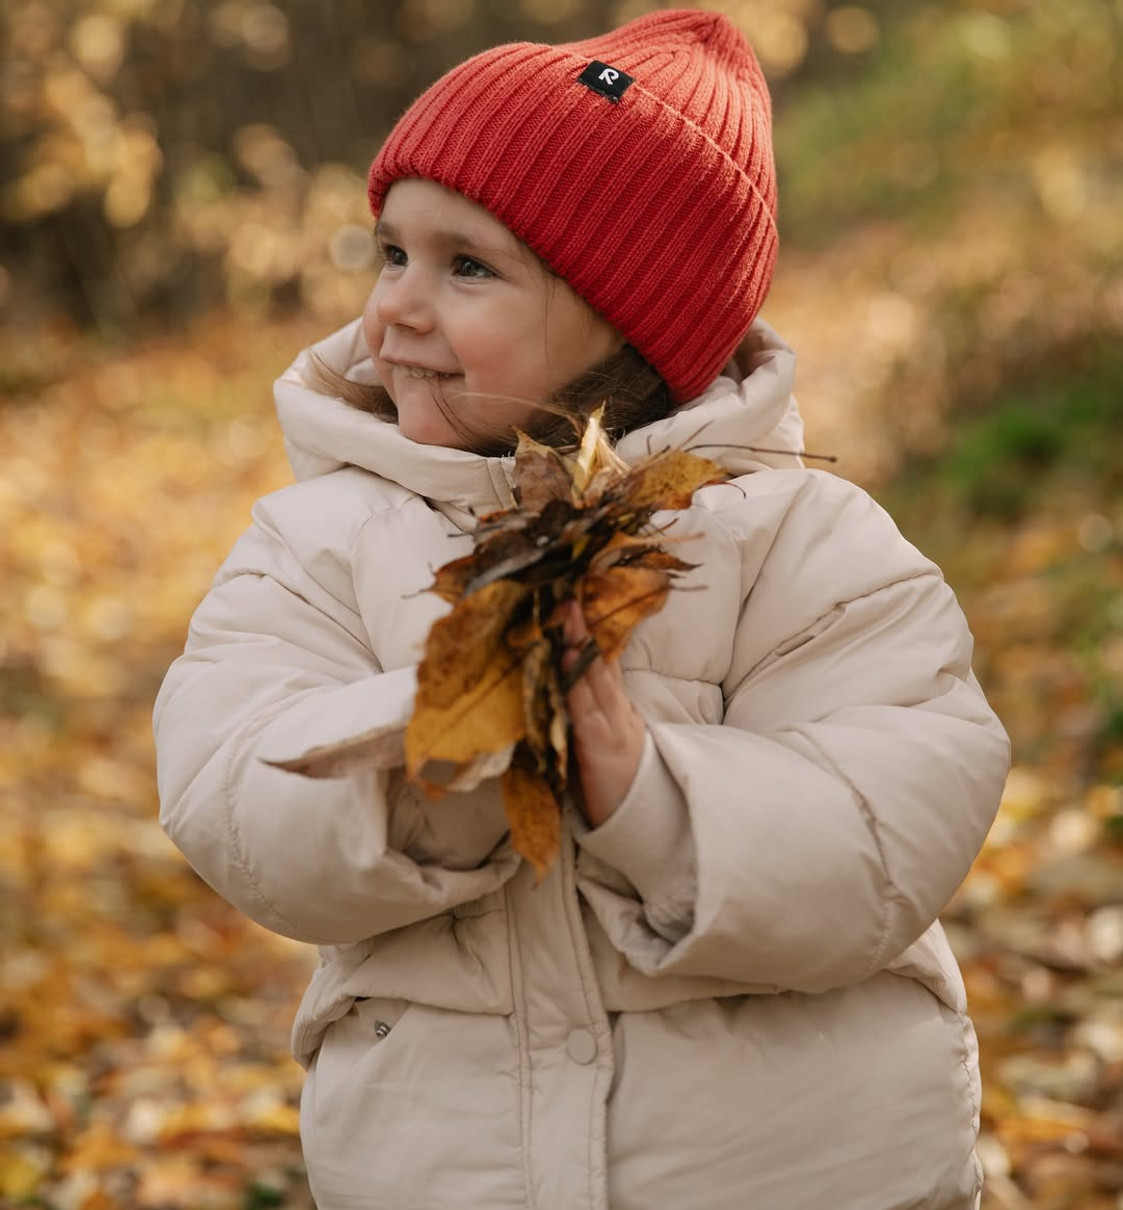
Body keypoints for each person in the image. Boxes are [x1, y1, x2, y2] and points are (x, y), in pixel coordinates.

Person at [153, 10, 1011, 1209]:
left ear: (631, 321)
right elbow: (231, 789)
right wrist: (437, 766)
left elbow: (890, 824)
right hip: (456, 1168)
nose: (396, 305)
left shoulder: (798, 542)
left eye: (467, 267)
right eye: (390, 252)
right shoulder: (316, 542)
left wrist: (645, 792)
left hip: (792, 1167)